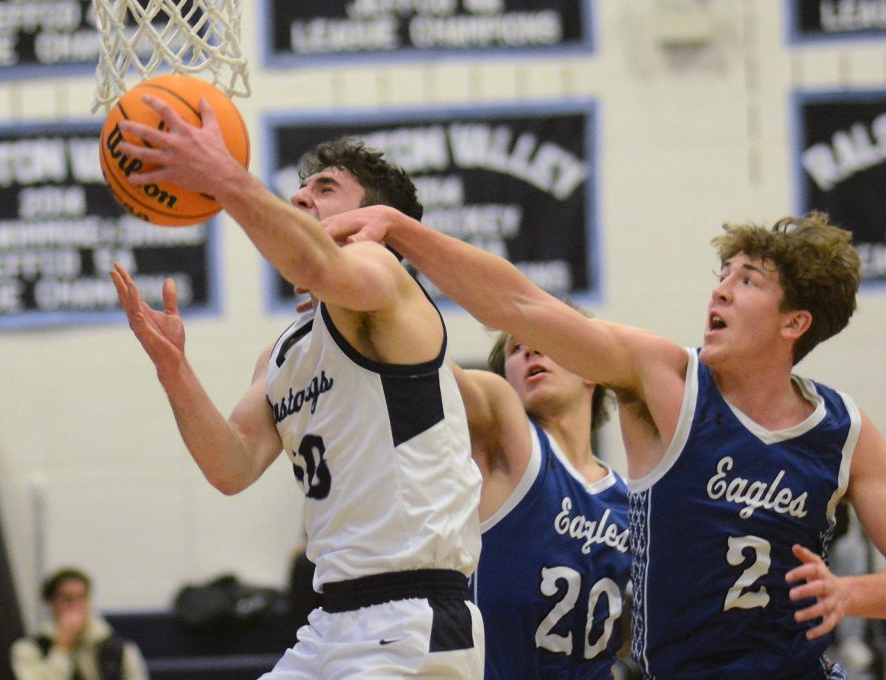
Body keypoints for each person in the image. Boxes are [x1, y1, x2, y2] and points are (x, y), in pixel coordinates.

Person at [323, 206, 886, 679]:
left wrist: (852, 594)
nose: (721, 290)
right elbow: (520, 304)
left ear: (794, 324)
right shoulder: (666, 380)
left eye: (748, 282)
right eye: (724, 274)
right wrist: (401, 230)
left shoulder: (845, 432)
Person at [109, 102, 485, 678]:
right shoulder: (282, 353)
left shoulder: (385, 280)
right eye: (301, 188)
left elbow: (320, 265)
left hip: (412, 613)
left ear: (373, 218)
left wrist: (222, 176)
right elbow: (231, 467)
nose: (301, 197)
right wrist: (173, 369)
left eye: (325, 188)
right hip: (331, 618)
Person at [464, 324, 632, 680]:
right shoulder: (506, 449)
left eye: (547, 338)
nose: (530, 350)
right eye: (515, 348)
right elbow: (421, 363)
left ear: (591, 367)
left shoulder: (630, 503)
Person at [11, 566, 149, 680]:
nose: (75, 606)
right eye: (67, 599)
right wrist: (62, 645)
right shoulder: (29, 649)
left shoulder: (119, 648)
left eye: (81, 598)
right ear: (51, 603)